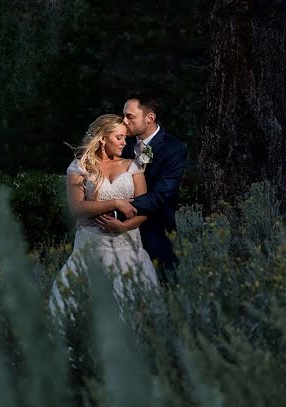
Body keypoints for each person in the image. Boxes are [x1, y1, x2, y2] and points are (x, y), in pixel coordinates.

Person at [50, 114, 159, 318]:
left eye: (125, 137)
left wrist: (124, 227)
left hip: (128, 251)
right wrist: (116, 203)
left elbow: (145, 210)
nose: (124, 142)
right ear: (102, 138)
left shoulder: (132, 166)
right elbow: (77, 208)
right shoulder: (79, 167)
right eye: (118, 137)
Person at [96, 92, 187, 279]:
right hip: (114, 235)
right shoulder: (120, 142)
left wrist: (118, 208)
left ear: (150, 118)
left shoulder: (174, 149)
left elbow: (163, 195)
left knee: (162, 289)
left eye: (130, 116)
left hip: (156, 233)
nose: (124, 121)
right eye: (123, 116)